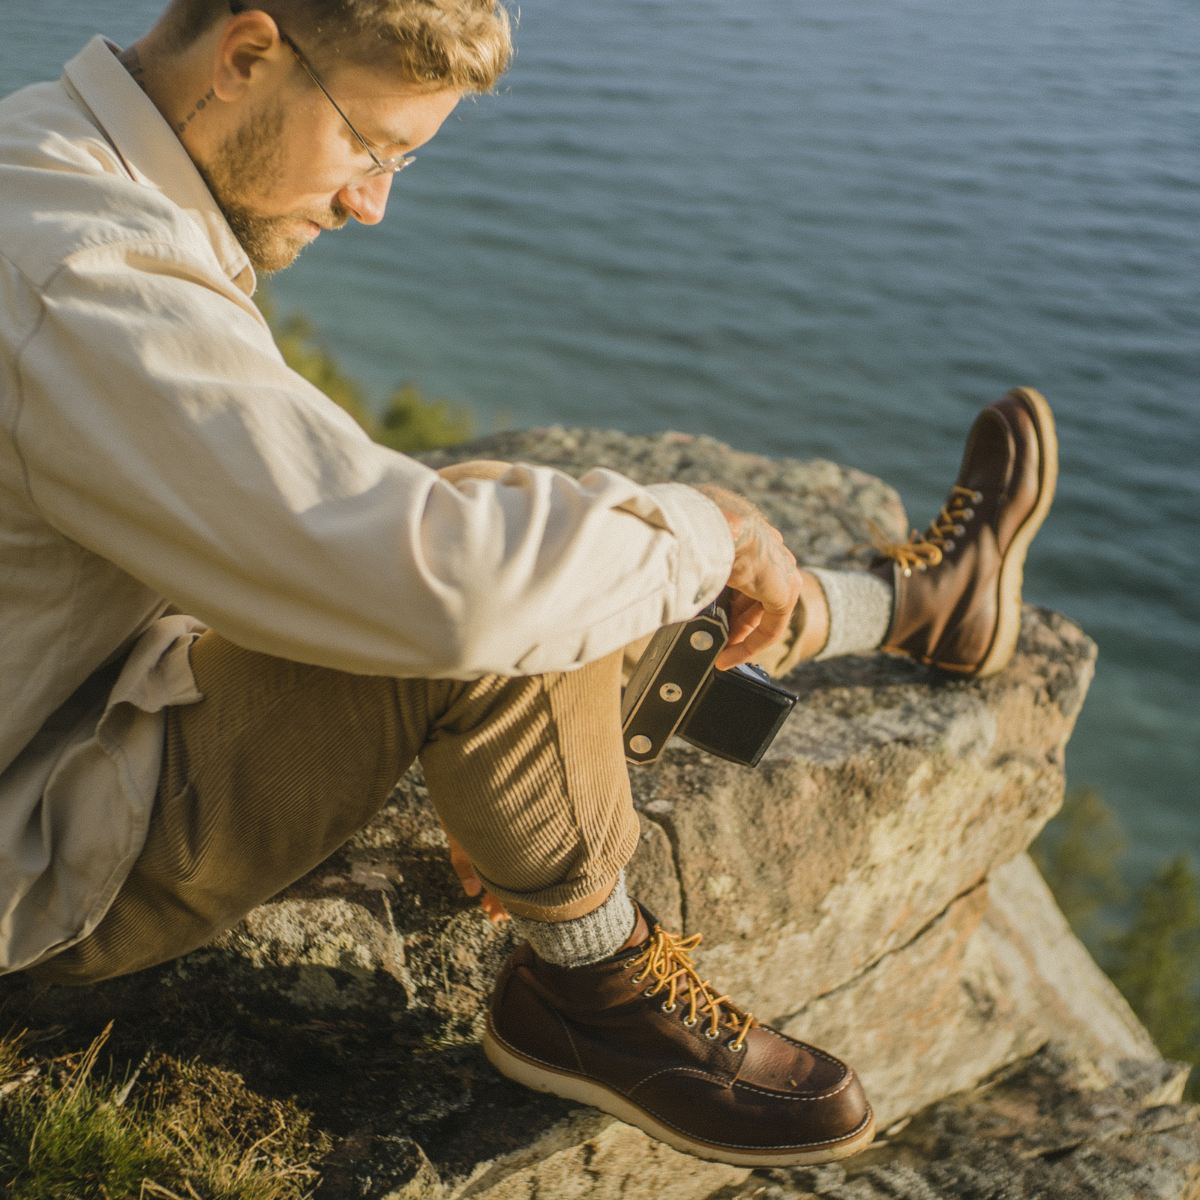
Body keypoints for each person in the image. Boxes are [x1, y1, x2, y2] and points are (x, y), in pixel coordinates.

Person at [0, 0, 1057, 1169]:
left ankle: (905, 608)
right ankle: (589, 984)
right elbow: (457, 595)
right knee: (512, 593)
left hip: (68, 706)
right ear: (246, 57)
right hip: (32, 851)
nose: (372, 201)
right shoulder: (86, 276)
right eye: (371, 144)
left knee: (534, 535)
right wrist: (711, 528)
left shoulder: (53, 167)